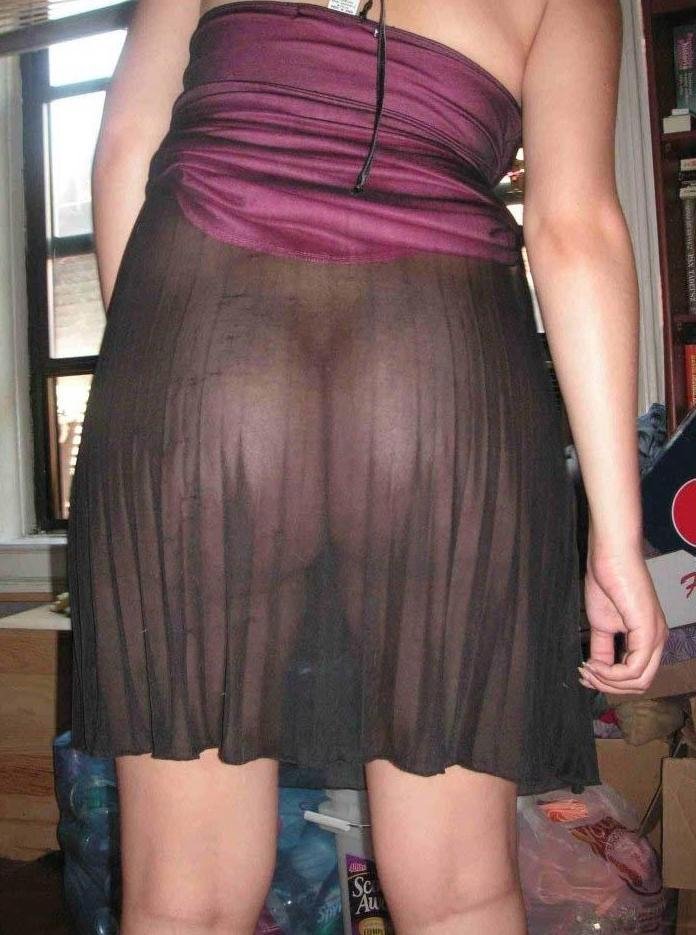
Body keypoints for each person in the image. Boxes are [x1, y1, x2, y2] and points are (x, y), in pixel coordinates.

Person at [65, 0, 669, 931]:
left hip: (206, 336)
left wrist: (165, 378)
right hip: (438, 369)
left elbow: (124, 153)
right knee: (461, 891)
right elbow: (573, 227)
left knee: (183, 895)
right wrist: (616, 539)